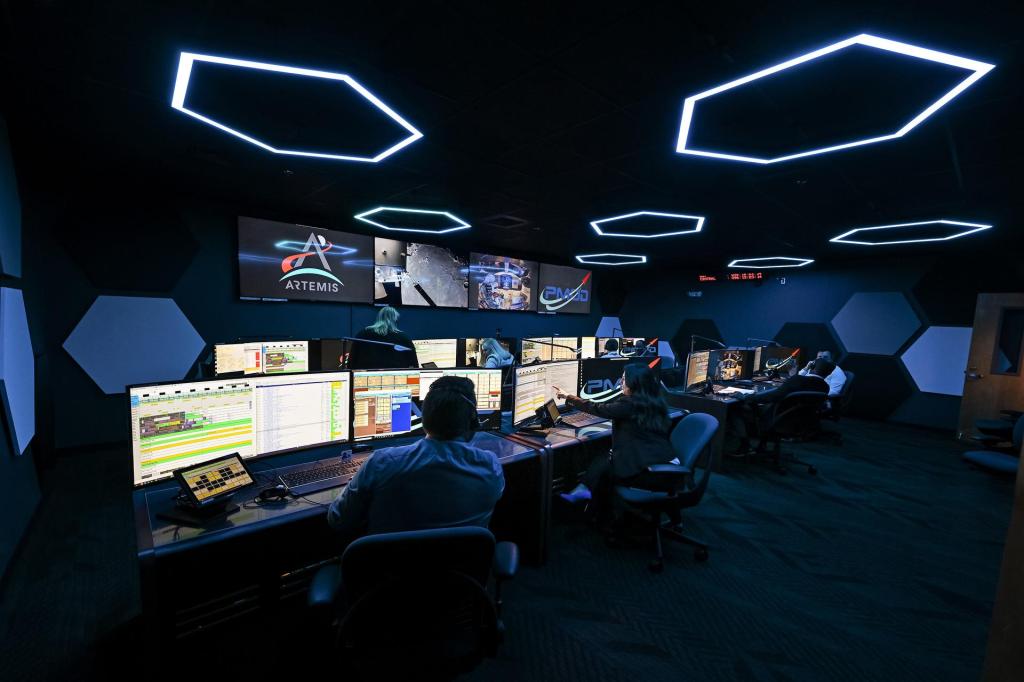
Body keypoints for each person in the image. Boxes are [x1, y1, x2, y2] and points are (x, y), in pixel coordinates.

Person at [328, 375, 505, 537]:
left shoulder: (381, 463)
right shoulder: (490, 466)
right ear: (473, 421)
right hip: (463, 569)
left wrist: (355, 483)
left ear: (424, 418)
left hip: (390, 571)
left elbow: (338, 519)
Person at [553, 364, 677, 522]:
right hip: (659, 456)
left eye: (624, 379)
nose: (621, 382)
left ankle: (591, 505)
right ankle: (587, 498)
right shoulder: (654, 400)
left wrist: (568, 397)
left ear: (634, 383)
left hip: (647, 470)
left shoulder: (630, 404)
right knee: (604, 458)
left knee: (605, 462)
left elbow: (598, 409)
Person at [731, 357, 833, 454]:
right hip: (802, 424)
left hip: (779, 420)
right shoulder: (825, 388)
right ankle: (762, 445)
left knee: (737, 407)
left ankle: (745, 446)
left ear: (811, 367)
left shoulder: (797, 379)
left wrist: (745, 397)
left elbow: (772, 396)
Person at [347, 305, 418, 369]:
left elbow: (351, 361)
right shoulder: (403, 337)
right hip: (396, 378)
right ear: (395, 319)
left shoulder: (362, 334)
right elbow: (414, 364)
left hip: (365, 378)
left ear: (378, 317)